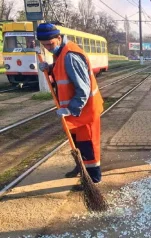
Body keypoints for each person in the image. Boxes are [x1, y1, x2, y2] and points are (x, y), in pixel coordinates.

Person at [36, 23, 104, 183]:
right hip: (75, 112)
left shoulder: (70, 56)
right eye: (44, 46)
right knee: (77, 143)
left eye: (50, 44)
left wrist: (71, 109)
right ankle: (81, 167)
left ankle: (93, 179)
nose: (48, 48)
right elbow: (63, 71)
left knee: (88, 146)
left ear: (59, 38)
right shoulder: (60, 53)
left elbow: (83, 89)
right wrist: (50, 68)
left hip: (85, 111)